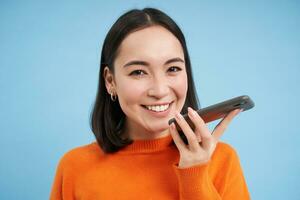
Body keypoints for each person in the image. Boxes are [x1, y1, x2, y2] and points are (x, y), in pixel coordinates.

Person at [50, 7, 250, 200]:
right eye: (138, 72)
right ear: (110, 81)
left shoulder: (222, 160)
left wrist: (195, 173)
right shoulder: (74, 167)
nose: (160, 90)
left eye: (172, 68)